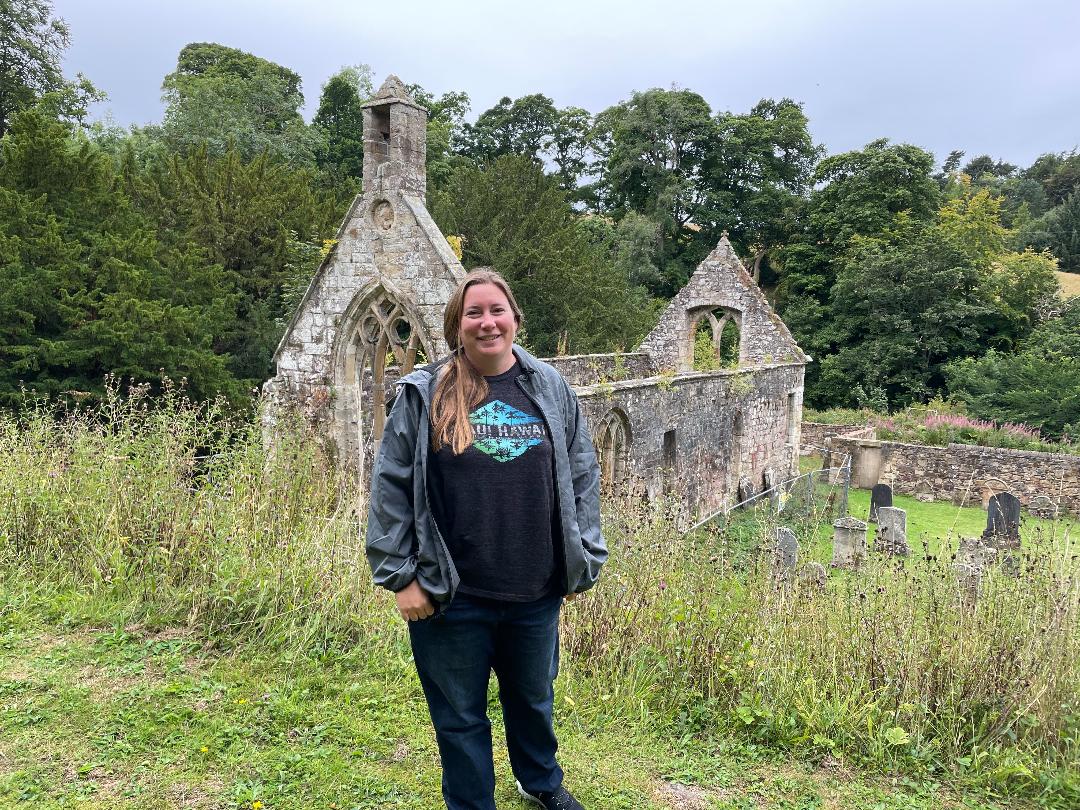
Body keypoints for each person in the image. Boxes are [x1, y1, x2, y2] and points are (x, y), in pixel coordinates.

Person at [366, 268, 607, 810]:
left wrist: (581, 559)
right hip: (452, 594)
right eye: (474, 313)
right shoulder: (425, 394)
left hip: (535, 589)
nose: (487, 322)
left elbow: (582, 473)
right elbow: (391, 484)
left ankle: (539, 782)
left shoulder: (550, 388)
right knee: (459, 716)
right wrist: (400, 576)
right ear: (458, 325)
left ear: (515, 319)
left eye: (496, 310)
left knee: (533, 700)